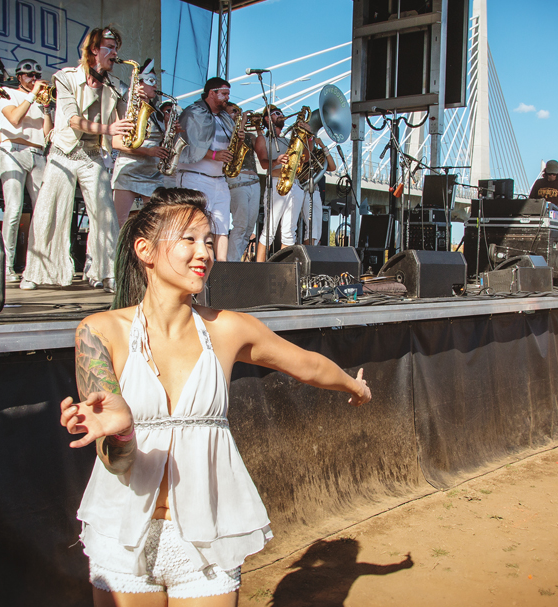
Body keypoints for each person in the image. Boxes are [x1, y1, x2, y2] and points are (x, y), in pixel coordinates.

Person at [59, 188, 371, 605]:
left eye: (208, 240)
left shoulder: (228, 328)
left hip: (208, 539)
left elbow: (308, 365)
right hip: (126, 536)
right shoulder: (99, 332)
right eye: (188, 239)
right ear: (145, 250)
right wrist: (121, 433)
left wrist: (354, 385)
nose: (204, 252)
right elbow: (118, 463)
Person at [20, 26, 134, 292]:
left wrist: (134, 105)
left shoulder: (116, 86)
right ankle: (34, 272)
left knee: (104, 215)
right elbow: (72, 119)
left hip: (93, 154)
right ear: (94, 49)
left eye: (116, 48)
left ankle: (107, 274)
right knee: (48, 210)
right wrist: (107, 129)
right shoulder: (65, 77)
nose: (114, 53)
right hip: (63, 151)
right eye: (109, 47)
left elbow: (125, 124)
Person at [0, 59, 53, 282]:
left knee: (42, 211)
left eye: (36, 76)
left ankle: (36, 266)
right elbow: (14, 118)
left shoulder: (39, 100)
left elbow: (47, 133)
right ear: (19, 76)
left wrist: (46, 108)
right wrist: (32, 96)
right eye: (29, 76)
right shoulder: (7, 93)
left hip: (38, 153)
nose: (34, 80)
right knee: (14, 208)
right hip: (13, 149)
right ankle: (6, 266)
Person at [176, 77, 236, 262]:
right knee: (195, 226)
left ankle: (222, 272)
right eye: (224, 93)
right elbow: (186, 143)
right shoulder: (193, 112)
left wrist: (239, 136)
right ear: (212, 93)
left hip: (219, 180)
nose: (227, 98)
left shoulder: (225, 117)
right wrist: (213, 155)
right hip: (196, 177)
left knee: (222, 228)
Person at [111, 61, 168, 228]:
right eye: (151, 81)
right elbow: (116, 142)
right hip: (128, 169)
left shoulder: (157, 111)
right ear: (139, 83)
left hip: (153, 173)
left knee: (155, 225)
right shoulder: (125, 105)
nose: (155, 85)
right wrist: (147, 151)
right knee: (118, 222)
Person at [253, 104, 304, 263]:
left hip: (294, 185)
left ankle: (284, 271)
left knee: (290, 232)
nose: (281, 115)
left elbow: (306, 158)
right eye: (276, 113)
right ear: (268, 119)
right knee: (269, 230)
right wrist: (276, 160)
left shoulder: (289, 140)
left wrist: (305, 135)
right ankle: (259, 270)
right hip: (276, 183)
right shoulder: (263, 139)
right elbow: (263, 163)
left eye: (281, 112)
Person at [224, 104, 261, 262]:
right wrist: (242, 121)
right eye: (234, 112)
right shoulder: (225, 132)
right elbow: (232, 146)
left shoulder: (249, 136)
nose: (237, 114)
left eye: (239, 112)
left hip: (254, 181)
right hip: (237, 179)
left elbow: (262, 147)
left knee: (249, 228)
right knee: (240, 225)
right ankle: (231, 264)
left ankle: (235, 259)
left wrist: (259, 127)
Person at [298, 138, 336, 246]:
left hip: (316, 192)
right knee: (311, 227)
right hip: (304, 190)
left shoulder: (317, 155)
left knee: (318, 229)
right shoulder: (301, 153)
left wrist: (323, 147)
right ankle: (308, 256)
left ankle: (313, 253)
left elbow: (332, 167)